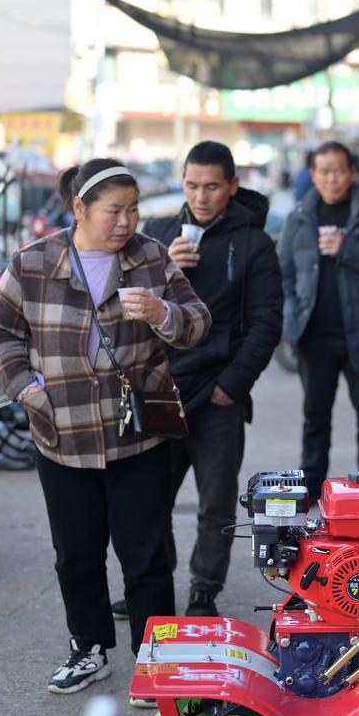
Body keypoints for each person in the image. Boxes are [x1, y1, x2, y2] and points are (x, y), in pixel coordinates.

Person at [0, 158, 210, 700]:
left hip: (140, 431)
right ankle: (88, 649)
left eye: (133, 209)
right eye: (115, 211)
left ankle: (156, 661)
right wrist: (26, 388)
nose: (127, 221)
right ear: (79, 209)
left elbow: (198, 322)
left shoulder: (151, 258)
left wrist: (161, 313)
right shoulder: (34, 262)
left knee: (146, 554)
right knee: (76, 553)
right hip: (63, 432)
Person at [139, 141, 282, 618]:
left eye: (213, 186)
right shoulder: (156, 236)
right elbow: (127, 309)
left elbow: (266, 322)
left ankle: (204, 591)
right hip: (161, 390)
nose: (201, 196)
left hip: (219, 393)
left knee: (215, 504)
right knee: (148, 501)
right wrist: (164, 269)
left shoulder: (255, 243)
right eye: (192, 185)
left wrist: (233, 386)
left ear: (232, 186)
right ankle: (151, 585)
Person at [278, 141, 359, 499]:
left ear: (352, 173)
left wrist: (347, 248)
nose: (332, 179)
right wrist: (292, 318)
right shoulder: (300, 216)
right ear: (313, 175)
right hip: (315, 336)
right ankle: (311, 487)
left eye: (339, 170)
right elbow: (284, 272)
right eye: (324, 171)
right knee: (315, 416)